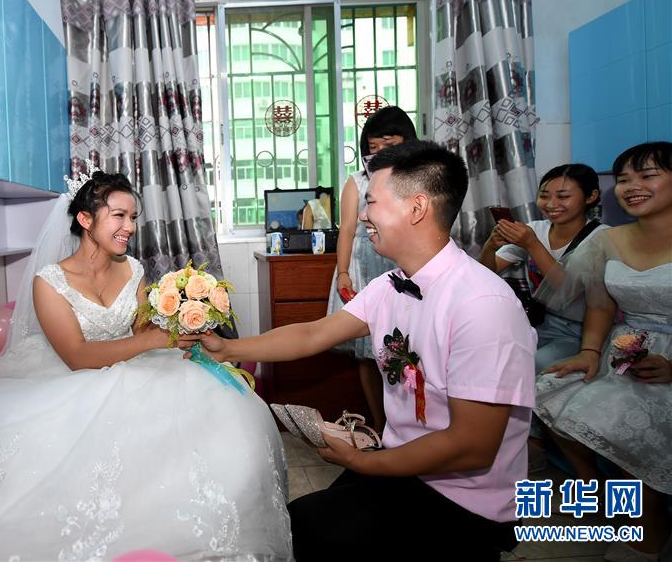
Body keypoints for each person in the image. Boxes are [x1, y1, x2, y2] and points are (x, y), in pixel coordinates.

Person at [0, 169, 293, 561]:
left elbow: (140, 330)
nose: (130, 227)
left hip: (135, 364)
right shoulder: (49, 282)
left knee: (213, 415)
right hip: (71, 374)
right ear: (85, 219)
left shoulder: (133, 270)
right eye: (119, 216)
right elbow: (77, 356)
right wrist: (153, 339)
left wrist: (172, 322)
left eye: (133, 217)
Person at [198, 141, 536, 561]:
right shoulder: (390, 285)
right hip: (405, 463)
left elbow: (472, 446)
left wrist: (366, 463)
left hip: (464, 497)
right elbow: (312, 334)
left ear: (416, 208)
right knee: (293, 523)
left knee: (309, 530)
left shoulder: (483, 305)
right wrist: (227, 348)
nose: (361, 216)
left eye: (371, 201)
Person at [535, 142, 671, 561]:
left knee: (622, 424)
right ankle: (594, 487)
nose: (631, 186)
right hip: (622, 351)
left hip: (666, 362)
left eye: (647, 176)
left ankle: (648, 530)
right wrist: (590, 351)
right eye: (624, 179)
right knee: (549, 391)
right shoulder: (609, 240)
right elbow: (599, 304)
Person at [325, 106, 417, 432]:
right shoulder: (357, 181)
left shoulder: (419, 178)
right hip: (364, 267)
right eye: (372, 147)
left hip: (403, 266)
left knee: (407, 348)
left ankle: (409, 426)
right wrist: (344, 273)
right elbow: (347, 230)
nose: (378, 153)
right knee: (367, 352)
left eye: (387, 145)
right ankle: (380, 425)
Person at [479, 163, 608, 372]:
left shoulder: (602, 238)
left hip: (578, 330)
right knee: (488, 356)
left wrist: (532, 245)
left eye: (563, 196)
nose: (551, 204)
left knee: (526, 367)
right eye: (544, 196)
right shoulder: (535, 229)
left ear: (591, 196)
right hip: (536, 322)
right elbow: (486, 274)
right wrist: (490, 246)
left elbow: (568, 291)